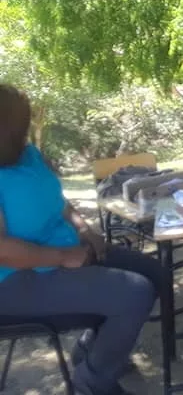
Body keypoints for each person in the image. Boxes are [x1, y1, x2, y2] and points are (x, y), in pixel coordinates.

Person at [0, 84, 168, 395]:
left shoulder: (28, 155)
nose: (27, 129)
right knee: (133, 293)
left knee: (153, 273)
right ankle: (91, 382)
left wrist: (84, 229)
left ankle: (91, 350)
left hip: (65, 251)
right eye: (22, 123)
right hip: (13, 280)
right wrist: (62, 258)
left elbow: (59, 202)